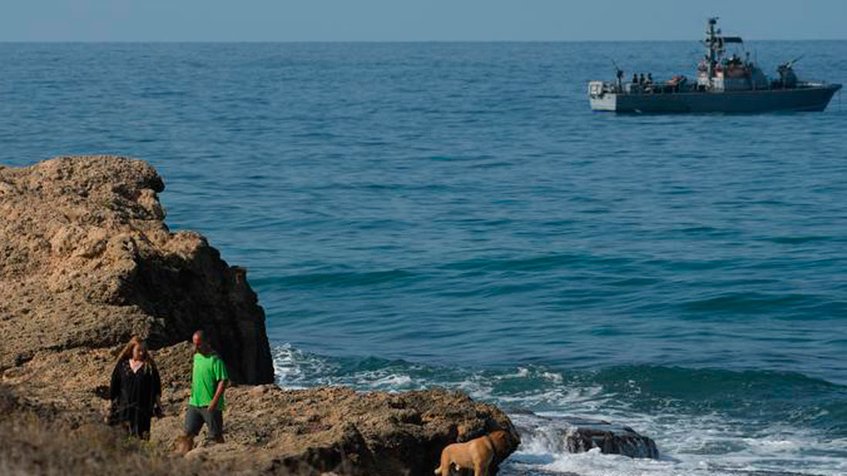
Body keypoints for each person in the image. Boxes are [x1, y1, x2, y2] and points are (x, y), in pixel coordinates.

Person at [109, 337, 162, 439]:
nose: (141, 353)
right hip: (124, 409)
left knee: (140, 439)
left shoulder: (149, 367)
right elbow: (114, 386)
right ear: (131, 349)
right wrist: (111, 405)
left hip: (142, 411)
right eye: (139, 350)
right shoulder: (122, 365)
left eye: (143, 350)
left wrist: (159, 406)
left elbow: (156, 388)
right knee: (122, 439)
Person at [184, 330, 229, 444]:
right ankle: (183, 460)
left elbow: (223, 381)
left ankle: (225, 455)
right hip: (194, 403)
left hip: (210, 405)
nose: (196, 346)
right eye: (194, 343)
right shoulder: (196, 357)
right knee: (188, 434)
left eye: (199, 343)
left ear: (207, 342)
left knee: (216, 435)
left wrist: (214, 401)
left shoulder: (215, 360)